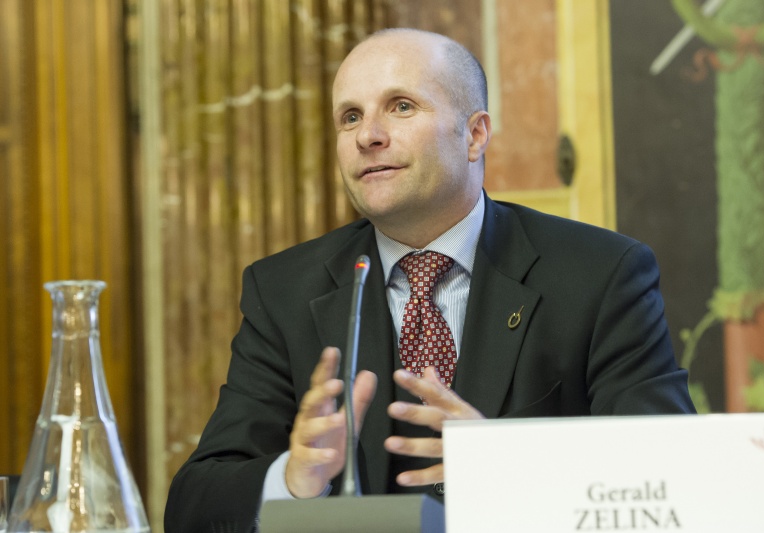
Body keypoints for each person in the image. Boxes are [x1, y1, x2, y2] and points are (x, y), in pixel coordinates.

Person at [164, 28, 695, 531]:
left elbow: (673, 474)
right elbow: (194, 505)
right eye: (349, 117)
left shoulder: (600, 273)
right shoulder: (284, 290)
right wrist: (293, 477)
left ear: (475, 134)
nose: (368, 136)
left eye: (400, 106)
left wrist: (508, 466)